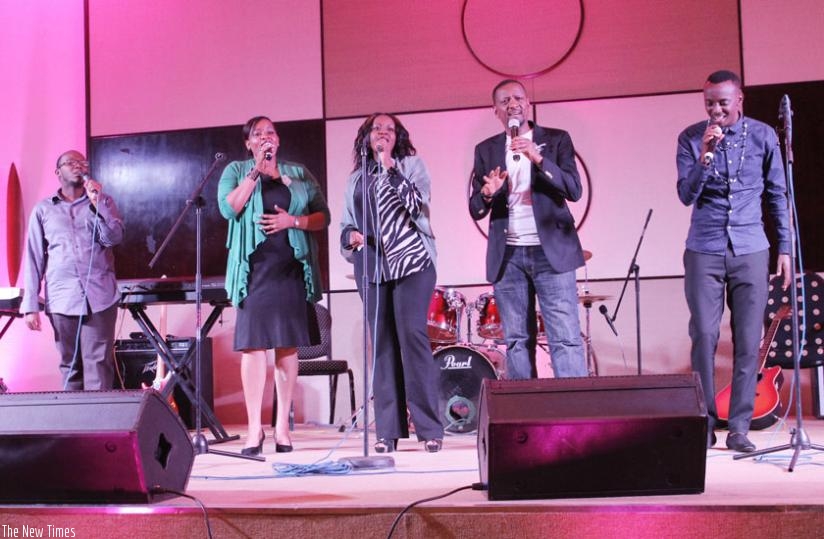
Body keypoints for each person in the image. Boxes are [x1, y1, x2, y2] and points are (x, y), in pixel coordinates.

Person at [676, 70, 791, 452]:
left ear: (739, 99)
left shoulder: (763, 136)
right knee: (704, 335)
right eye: (710, 103)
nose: (716, 110)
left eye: (723, 102)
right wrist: (705, 157)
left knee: (747, 340)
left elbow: (777, 195)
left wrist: (785, 248)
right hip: (704, 248)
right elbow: (685, 194)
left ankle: (739, 426)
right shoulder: (691, 138)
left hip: (750, 247)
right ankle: (704, 422)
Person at [218, 116, 330, 456]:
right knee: (252, 347)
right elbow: (229, 208)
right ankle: (254, 430)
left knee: (286, 347)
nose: (266, 137)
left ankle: (282, 427)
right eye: (257, 134)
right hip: (254, 270)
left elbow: (322, 216)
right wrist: (256, 172)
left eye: (271, 132)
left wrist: (291, 221)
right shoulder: (237, 171)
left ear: (278, 140)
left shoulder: (297, 172)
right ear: (248, 143)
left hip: (290, 268)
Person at [469, 79, 588, 381]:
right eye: (505, 100)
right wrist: (488, 193)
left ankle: (576, 418)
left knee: (565, 338)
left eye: (518, 98)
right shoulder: (486, 150)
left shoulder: (557, 140)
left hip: (552, 254)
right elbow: (475, 207)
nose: (513, 104)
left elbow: (574, 190)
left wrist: (539, 158)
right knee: (517, 341)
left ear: (528, 103)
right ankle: (523, 417)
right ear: (495, 109)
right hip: (508, 255)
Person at [340, 113, 444, 453]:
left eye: (389, 129)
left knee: (412, 338)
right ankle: (388, 432)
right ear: (366, 137)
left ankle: (429, 429)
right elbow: (344, 225)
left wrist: (389, 167)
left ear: (397, 137)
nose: (382, 133)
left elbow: (417, 205)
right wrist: (349, 236)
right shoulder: (357, 179)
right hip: (372, 266)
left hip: (412, 263)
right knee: (381, 346)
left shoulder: (411, 165)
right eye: (376, 129)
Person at [22, 150, 124, 390]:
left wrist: (97, 204)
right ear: (58, 172)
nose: (78, 166)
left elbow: (114, 238)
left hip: (100, 296)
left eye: (82, 162)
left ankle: (98, 427)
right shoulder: (43, 210)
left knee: (98, 364)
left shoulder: (104, 201)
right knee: (70, 366)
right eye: (71, 163)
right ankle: (74, 427)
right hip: (61, 298)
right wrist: (30, 306)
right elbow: (34, 257)